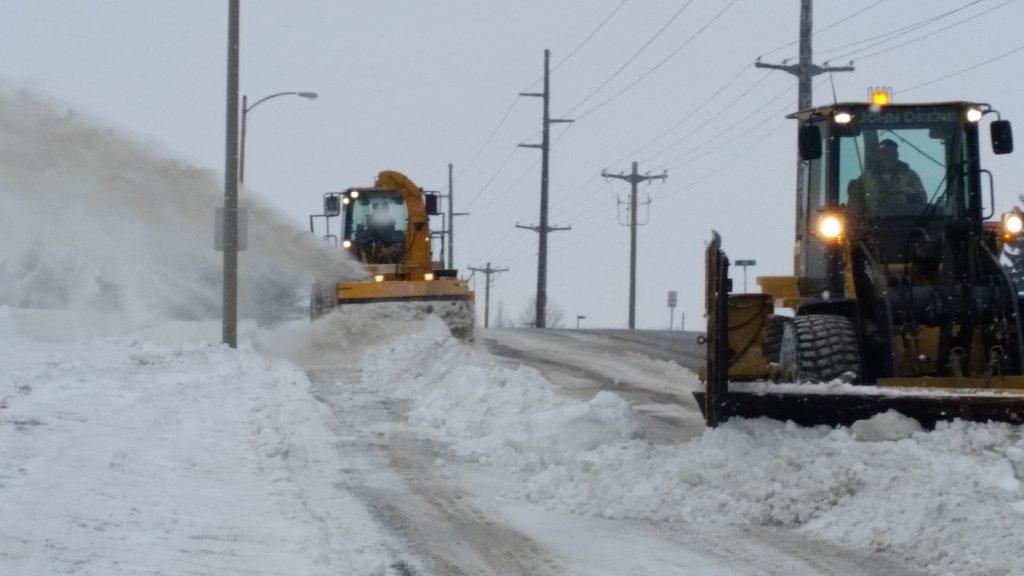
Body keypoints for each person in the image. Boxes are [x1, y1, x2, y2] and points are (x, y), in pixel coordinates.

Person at [848, 139, 926, 215]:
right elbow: (854, 200)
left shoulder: (910, 175)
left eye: (892, 152)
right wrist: (856, 218)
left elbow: (921, 199)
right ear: (878, 155)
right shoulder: (865, 177)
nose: (888, 155)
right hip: (872, 222)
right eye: (885, 152)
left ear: (896, 155)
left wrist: (912, 195)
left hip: (903, 220)